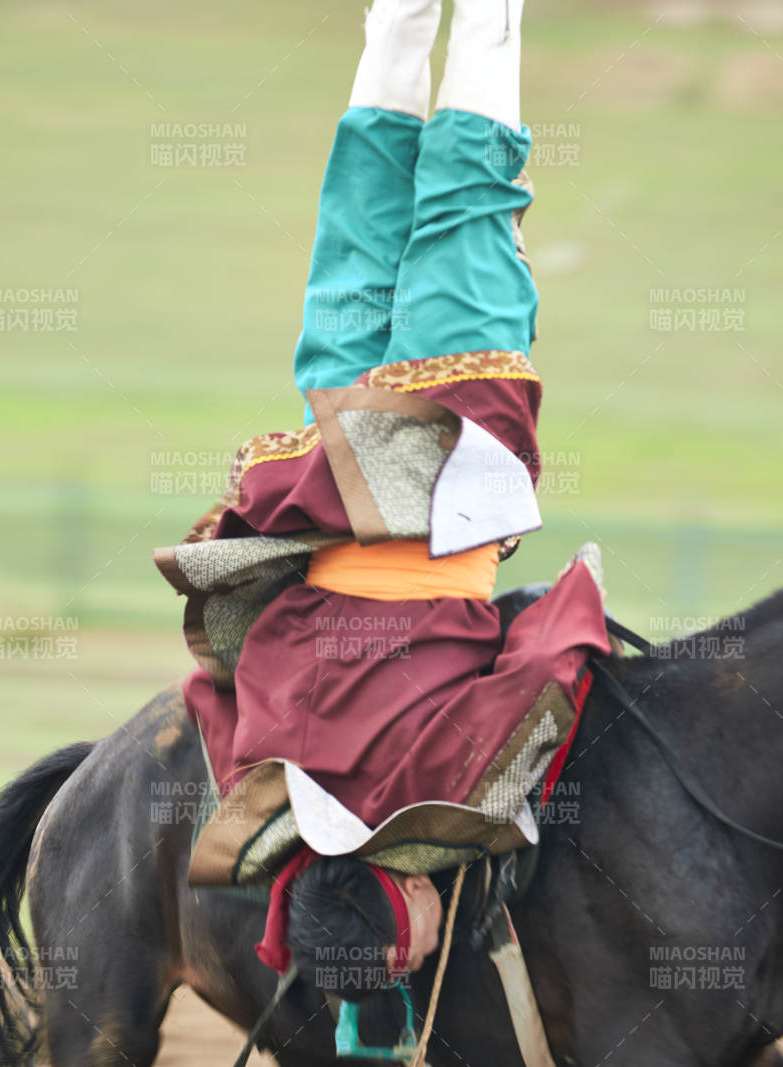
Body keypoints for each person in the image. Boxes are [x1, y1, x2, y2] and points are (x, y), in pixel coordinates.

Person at [153, 0, 611, 986]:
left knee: (467, 196)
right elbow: (212, 680)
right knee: (360, 214)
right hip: (335, 444)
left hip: (448, 458)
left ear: (408, 908)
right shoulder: (261, 772)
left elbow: (554, 654)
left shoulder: (448, 793)